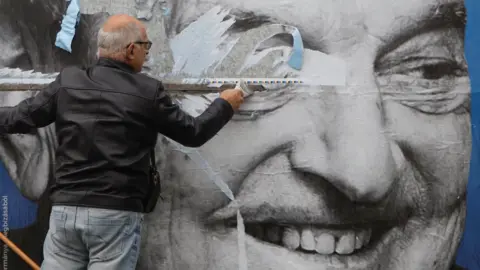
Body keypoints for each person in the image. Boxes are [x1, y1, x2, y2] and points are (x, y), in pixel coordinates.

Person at [0, 13, 244, 270]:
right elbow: (193, 133)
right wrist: (225, 104)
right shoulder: (147, 91)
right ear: (130, 50)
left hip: (66, 211)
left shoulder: (68, 82)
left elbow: (19, 117)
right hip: (114, 215)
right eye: (146, 46)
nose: (147, 53)